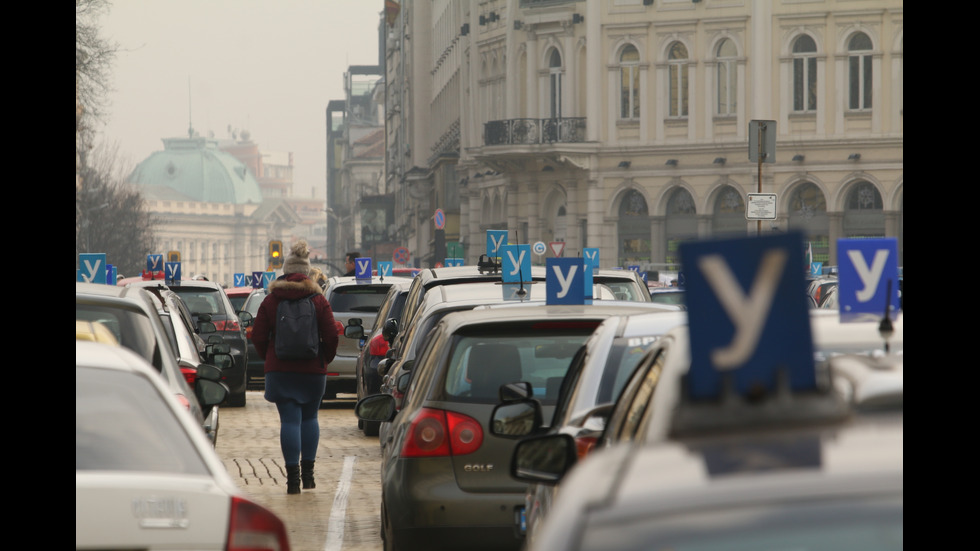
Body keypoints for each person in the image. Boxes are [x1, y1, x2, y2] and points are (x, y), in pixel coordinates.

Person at [252, 240, 339, 494]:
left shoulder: (271, 300)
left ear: (286, 272)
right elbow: (332, 335)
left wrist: (269, 358)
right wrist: (325, 358)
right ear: (307, 272)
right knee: (310, 418)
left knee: (289, 421)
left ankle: (292, 481)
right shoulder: (319, 300)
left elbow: (258, 336)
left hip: (280, 371)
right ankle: (309, 477)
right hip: (313, 370)